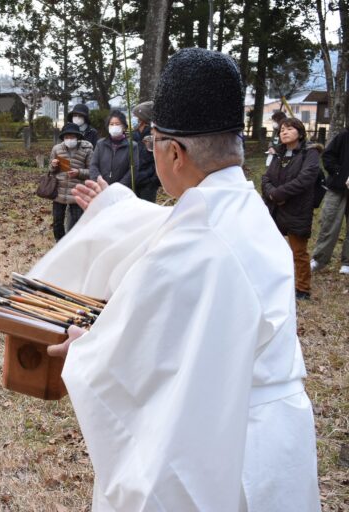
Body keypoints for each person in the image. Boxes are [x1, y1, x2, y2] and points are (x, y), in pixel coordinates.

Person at [29, 48, 319, 511]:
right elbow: (168, 228)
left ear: (175, 153)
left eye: (151, 142)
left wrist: (85, 348)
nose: (149, 150)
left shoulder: (201, 240)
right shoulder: (241, 207)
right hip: (272, 437)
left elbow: (140, 351)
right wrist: (114, 206)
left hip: (222, 444)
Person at [261, 118, 322, 299]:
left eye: (289, 129)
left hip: (297, 208)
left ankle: (302, 288)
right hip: (275, 208)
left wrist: (279, 194)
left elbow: (305, 179)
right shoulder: (277, 152)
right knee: (272, 248)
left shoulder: (309, 153)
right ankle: (274, 282)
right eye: (281, 130)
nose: (284, 132)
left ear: (300, 132)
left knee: (298, 251)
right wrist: (272, 194)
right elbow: (266, 178)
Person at [310, 126, 349, 275]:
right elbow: (328, 157)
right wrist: (341, 175)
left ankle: (347, 262)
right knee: (329, 222)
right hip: (337, 189)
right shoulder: (343, 136)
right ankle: (319, 259)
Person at [48, 122, 95, 241]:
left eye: (72, 137)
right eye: (66, 137)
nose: (69, 139)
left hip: (77, 191)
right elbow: (50, 170)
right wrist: (53, 166)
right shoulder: (57, 149)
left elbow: (92, 171)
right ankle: (60, 243)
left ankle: (74, 243)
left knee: (77, 221)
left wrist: (79, 172)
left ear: (77, 137)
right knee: (57, 221)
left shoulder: (87, 149)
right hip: (59, 190)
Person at [88, 110, 138, 188]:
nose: (114, 126)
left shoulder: (132, 146)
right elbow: (93, 165)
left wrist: (118, 186)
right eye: (111, 124)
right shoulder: (100, 144)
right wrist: (99, 180)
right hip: (101, 188)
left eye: (117, 124)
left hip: (122, 190)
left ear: (124, 127)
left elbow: (133, 170)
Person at [130, 101, 160, 202]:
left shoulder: (154, 135)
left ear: (142, 118)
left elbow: (159, 160)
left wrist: (153, 180)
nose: (132, 118)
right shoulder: (133, 135)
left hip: (148, 184)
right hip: (134, 181)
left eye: (135, 116)